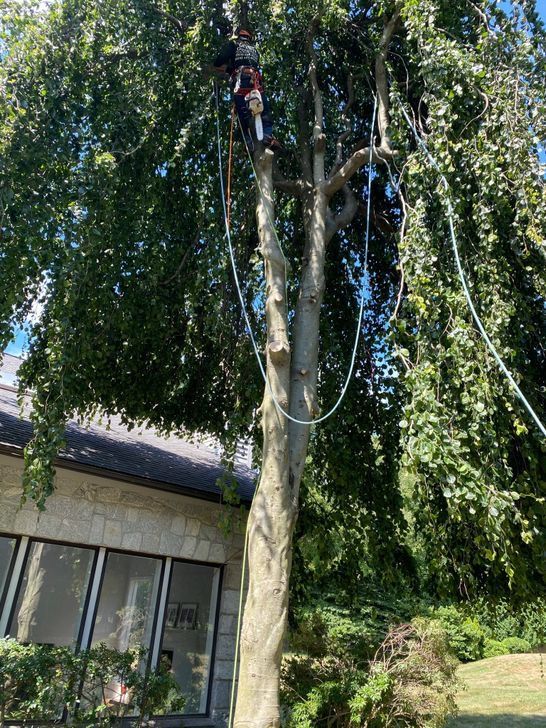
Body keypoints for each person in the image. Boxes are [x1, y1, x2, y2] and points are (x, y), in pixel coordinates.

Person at [213, 28, 282, 151]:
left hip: (241, 81)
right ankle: (267, 136)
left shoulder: (233, 45)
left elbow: (220, 60)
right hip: (255, 81)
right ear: (249, 38)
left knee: (242, 113)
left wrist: (225, 68)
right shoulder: (255, 51)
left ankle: (248, 141)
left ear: (238, 37)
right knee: (264, 111)